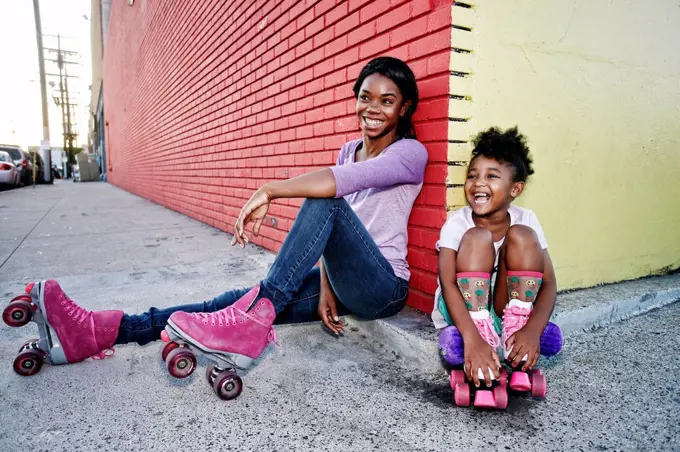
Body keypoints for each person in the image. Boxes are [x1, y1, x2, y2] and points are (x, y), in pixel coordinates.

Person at [5, 57, 429, 370]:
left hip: (382, 289)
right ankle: (99, 331)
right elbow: (334, 234)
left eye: (387, 101)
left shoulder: (410, 154)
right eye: (364, 97)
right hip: (340, 282)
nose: (372, 108)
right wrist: (327, 288)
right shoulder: (348, 151)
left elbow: (336, 191)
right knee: (227, 304)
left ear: (404, 108)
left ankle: (256, 319)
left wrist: (270, 190)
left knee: (323, 201)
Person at [434, 127, 562, 390]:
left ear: (516, 188)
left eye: (491, 176)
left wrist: (533, 331)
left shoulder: (527, 219)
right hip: (463, 305)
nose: (478, 183)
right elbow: (447, 283)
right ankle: (481, 340)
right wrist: (472, 339)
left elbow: (549, 283)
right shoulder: (457, 223)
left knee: (523, 235)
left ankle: (514, 336)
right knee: (478, 237)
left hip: (507, 309)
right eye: (472, 176)